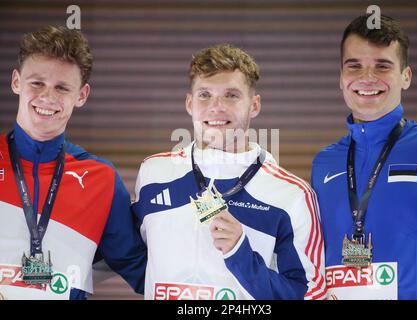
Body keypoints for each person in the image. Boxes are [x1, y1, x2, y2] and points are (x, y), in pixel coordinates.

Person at [132, 44, 326, 300]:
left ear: (254, 105)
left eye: (231, 95)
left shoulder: (292, 195)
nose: (216, 107)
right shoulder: (153, 173)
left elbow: (309, 294)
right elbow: (134, 260)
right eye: (204, 95)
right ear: (189, 103)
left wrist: (240, 254)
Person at [0, 25, 147, 300]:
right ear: (16, 81)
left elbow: (141, 270)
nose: (48, 97)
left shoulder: (100, 179)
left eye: (62, 87)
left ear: (82, 95)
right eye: (37, 83)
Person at [311, 14, 417, 300]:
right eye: (355, 66)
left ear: (406, 76)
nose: (367, 78)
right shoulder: (324, 163)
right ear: (341, 78)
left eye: (382, 66)